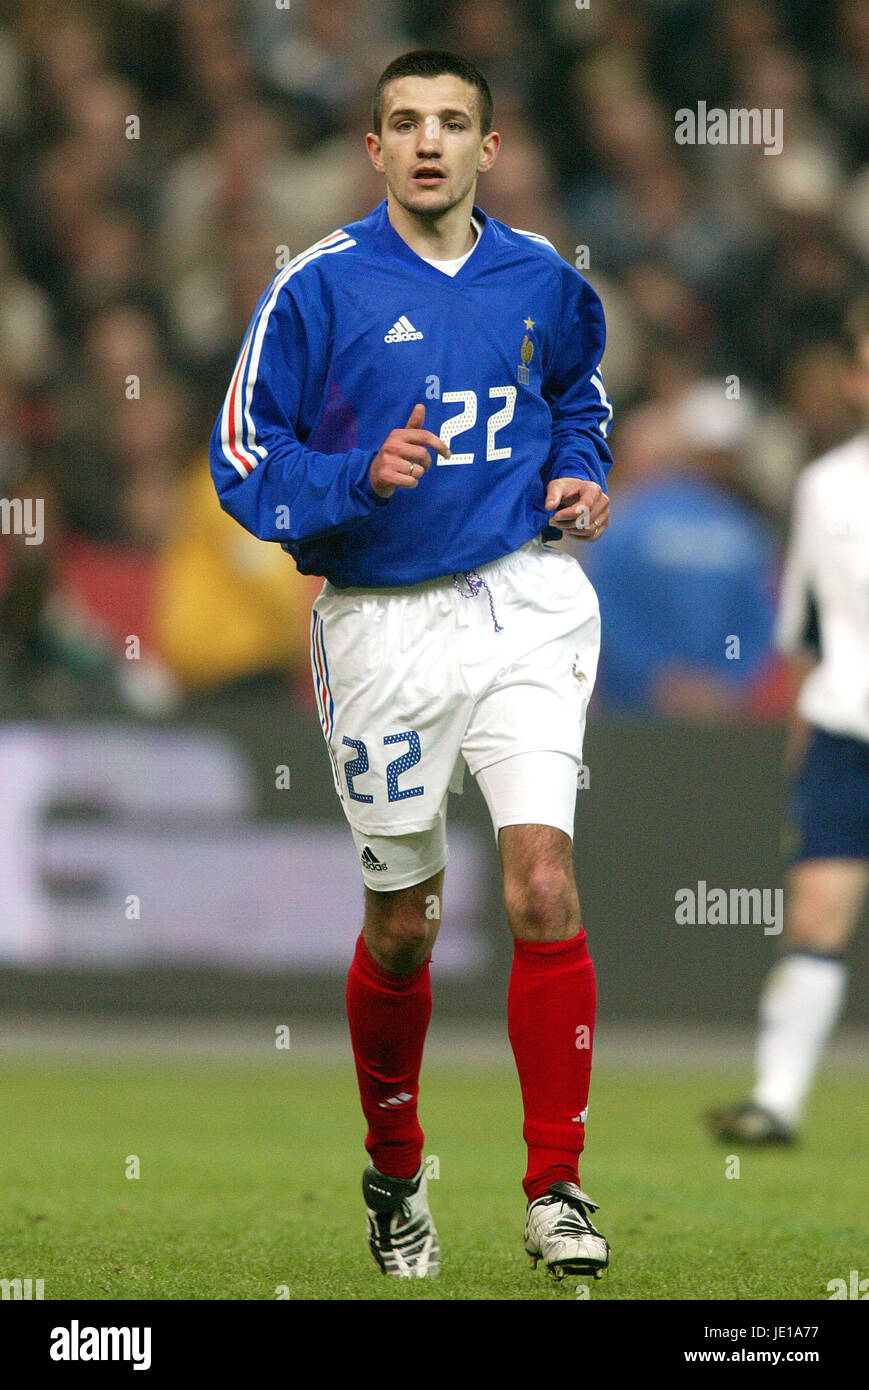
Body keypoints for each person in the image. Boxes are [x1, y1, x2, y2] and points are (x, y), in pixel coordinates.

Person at [210, 50, 614, 1280]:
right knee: (404, 924)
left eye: (451, 123)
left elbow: (577, 397)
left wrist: (582, 473)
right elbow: (240, 459)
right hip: (381, 624)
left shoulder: (542, 277)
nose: (427, 142)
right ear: (373, 149)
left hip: (526, 601)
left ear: (487, 148)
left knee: (540, 881)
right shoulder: (314, 289)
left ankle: (555, 1189)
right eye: (403, 123)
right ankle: (395, 1172)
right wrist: (350, 477)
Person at [708, 296, 869, 1145]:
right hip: (846, 731)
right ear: (853, 378)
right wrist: (800, 745)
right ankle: (776, 1101)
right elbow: (805, 630)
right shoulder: (824, 487)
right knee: (813, 915)